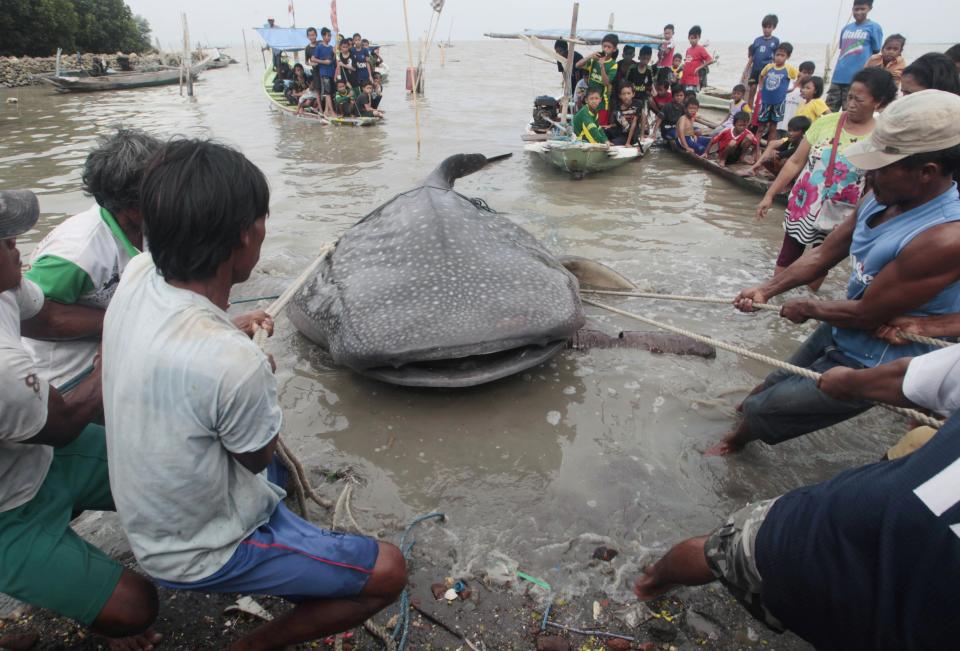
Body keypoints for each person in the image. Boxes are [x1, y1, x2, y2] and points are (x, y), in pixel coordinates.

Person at [102, 139, 408, 649]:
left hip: (148, 520)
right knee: (389, 571)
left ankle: (300, 565)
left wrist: (229, 331)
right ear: (247, 237)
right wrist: (257, 377)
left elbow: (182, 336)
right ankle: (253, 645)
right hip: (200, 549)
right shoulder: (232, 362)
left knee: (278, 478)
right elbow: (252, 458)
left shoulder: (136, 274)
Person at [635, 365, 960, 649]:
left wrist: (844, 380)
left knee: (722, 548)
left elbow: (905, 384)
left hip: (831, 531)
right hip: (914, 617)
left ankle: (646, 584)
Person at [710, 90, 960, 456]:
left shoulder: (942, 237)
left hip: (879, 357)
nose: (868, 174)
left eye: (881, 166)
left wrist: (807, 308)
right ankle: (738, 423)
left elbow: (868, 314)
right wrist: (767, 289)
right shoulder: (882, 194)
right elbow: (825, 253)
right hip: (842, 323)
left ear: (926, 173)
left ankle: (732, 445)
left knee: (771, 409)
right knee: (772, 383)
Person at [0, 189, 162, 651]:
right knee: (137, 608)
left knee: (165, 475)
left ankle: (65, 567)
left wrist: (124, 315)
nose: (17, 245)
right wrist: (112, 350)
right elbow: (67, 420)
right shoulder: (4, 371)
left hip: (37, 454)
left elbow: (45, 313)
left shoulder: (6, 288)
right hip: (7, 511)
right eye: (4, 241)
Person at [22, 129, 161, 389]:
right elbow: (26, 316)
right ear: (132, 206)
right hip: (63, 379)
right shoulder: (76, 252)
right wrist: (122, 322)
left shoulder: (144, 227)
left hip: (116, 358)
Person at [757, 68, 897, 283]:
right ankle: (775, 304)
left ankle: (805, 307)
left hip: (843, 211)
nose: (850, 104)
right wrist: (770, 195)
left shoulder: (881, 136)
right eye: (849, 97)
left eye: (858, 100)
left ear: (877, 102)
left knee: (819, 264)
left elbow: (878, 182)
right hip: (805, 203)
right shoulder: (826, 122)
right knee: (787, 258)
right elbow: (795, 162)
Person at [825, 0, 883, 112]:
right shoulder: (846, 29)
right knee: (828, 112)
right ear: (852, 10)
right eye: (856, 9)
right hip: (838, 77)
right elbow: (843, 50)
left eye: (862, 9)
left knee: (850, 112)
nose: (859, 12)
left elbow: (876, 52)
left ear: (869, 9)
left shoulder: (874, 28)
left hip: (857, 79)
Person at [745, 115, 812, 177]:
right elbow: (779, 150)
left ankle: (788, 181)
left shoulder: (801, 145)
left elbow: (787, 153)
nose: (790, 133)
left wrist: (778, 155)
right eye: (789, 130)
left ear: (803, 132)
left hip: (796, 170)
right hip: (785, 164)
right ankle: (778, 176)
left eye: (794, 131)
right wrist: (775, 153)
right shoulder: (789, 140)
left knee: (784, 161)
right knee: (767, 159)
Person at [757, 43, 797, 144]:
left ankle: (768, 150)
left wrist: (793, 88)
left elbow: (799, 76)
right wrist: (760, 87)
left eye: (782, 55)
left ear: (788, 56)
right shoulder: (769, 67)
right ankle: (755, 149)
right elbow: (761, 75)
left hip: (778, 102)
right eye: (777, 55)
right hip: (766, 101)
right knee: (761, 127)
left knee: (773, 127)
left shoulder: (789, 69)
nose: (779, 58)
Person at [576, 33, 619, 124]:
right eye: (604, 46)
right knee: (589, 126)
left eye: (609, 47)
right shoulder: (594, 60)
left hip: (602, 103)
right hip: (590, 100)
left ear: (614, 49)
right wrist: (590, 56)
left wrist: (602, 66)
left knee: (600, 128)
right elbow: (577, 65)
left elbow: (606, 82)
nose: (606, 49)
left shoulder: (613, 65)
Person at [745, 14, 780, 108]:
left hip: (767, 71)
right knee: (752, 89)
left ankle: (760, 111)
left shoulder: (775, 41)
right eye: (764, 27)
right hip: (755, 70)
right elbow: (752, 57)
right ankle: (749, 112)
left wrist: (776, 70)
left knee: (763, 91)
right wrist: (746, 70)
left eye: (769, 27)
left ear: (774, 28)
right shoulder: (757, 40)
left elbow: (777, 57)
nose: (766, 29)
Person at [777, 60, 814, 135]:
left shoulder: (808, 93)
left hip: (794, 127)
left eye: (809, 73)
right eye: (804, 72)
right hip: (779, 123)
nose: (806, 75)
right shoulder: (788, 85)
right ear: (799, 72)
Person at [310, 27, 336, 117]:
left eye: (330, 36)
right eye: (327, 36)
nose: (329, 37)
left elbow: (333, 60)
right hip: (324, 72)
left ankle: (326, 111)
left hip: (332, 72)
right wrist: (323, 62)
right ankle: (332, 112)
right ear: (323, 36)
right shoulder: (319, 47)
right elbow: (312, 59)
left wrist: (335, 53)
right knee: (328, 93)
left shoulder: (332, 48)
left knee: (330, 92)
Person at [681, 26, 713, 95]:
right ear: (688, 38)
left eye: (695, 38)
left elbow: (710, 60)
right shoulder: (688, 50)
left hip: (693, 81)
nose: (693, 40)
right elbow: (687, 63)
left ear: (699, 38)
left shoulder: (701, 48)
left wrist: (699, 68)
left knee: (691, 98)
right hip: (685, 79)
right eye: (691, 38)